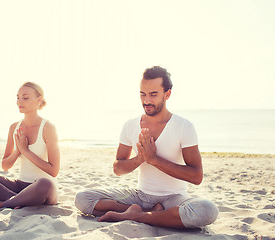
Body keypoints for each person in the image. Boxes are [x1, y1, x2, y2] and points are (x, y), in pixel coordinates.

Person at [75, 66, 218, 228]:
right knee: (82, 198)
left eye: (153, 94)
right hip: (140, 196)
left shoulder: (184, 126)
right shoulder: (130, 125)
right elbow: (118, 168)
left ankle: (136, 215)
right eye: (142, 94)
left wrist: (154, 160)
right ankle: (150, 214)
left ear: (167, 94)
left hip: (174, 198)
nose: (146, 101)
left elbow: (196, 176)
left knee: (207, 210)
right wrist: (140, 159)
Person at [0, 82, 60, 209]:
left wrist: (26, 151)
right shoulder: (14, 128)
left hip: (43, 189)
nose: (20, 101)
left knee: (45, 183)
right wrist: (17, 152)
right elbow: (5, 166)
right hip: (19, 186)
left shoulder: (48, 127)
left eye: (25, 98)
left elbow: (53, 171)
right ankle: (17, 199)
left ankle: (5, 203)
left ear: (39, 100)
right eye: (18, 97)